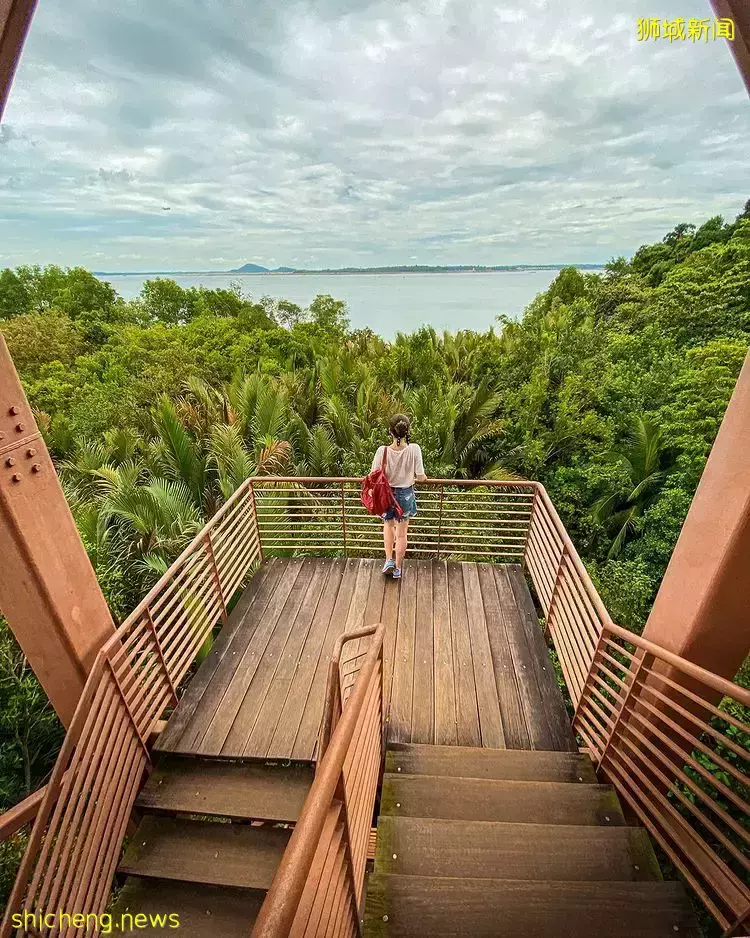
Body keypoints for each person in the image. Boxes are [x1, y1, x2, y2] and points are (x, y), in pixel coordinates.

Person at [370, 414, 427, 579]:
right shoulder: (414, 449)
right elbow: (421, 476)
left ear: (390, 431)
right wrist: (421, 479)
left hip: (387, 495)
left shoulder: (383, 451)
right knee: (402, 534)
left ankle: (388, 560)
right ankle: (398, 568)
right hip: (406, 495)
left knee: (388, 526)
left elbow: (373, 474)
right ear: (408, 430)